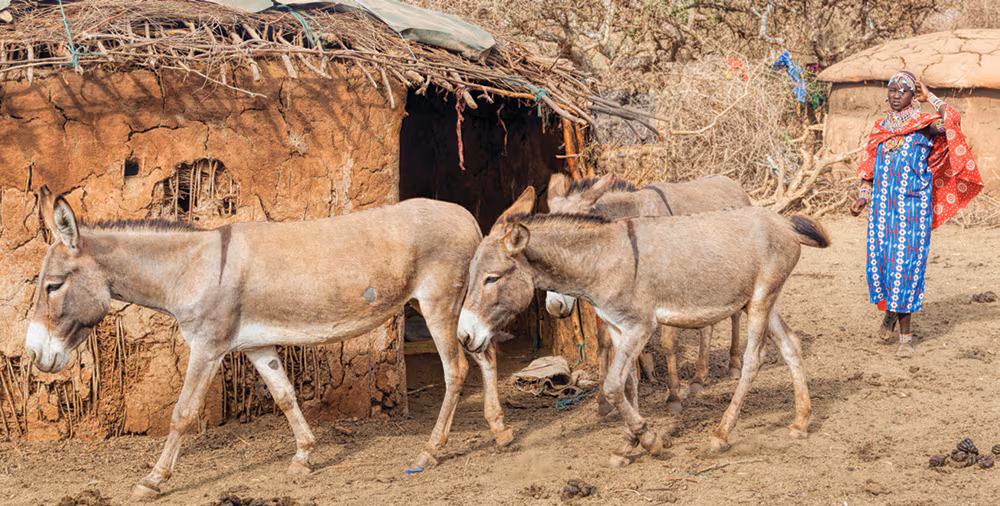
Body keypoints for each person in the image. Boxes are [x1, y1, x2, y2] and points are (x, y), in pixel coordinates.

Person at [849, 70, 983, 358]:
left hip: (913, 210)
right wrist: (862, 197)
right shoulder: (880, 128)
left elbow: (953, 120)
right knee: (883, 267)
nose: (895, 95)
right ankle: (891, 313)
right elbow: (868, 171)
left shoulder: (925, 125)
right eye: (892, 89)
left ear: (913, 95)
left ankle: (906, 339)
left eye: (903, 90)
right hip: (883, 213)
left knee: (907, 269)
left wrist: (930, 96)